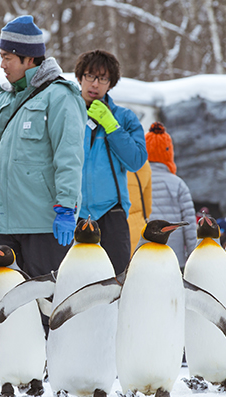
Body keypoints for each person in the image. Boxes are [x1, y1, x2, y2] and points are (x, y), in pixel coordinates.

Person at [0, 15, 87, 279]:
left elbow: (68, 157)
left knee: (43, 303)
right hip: (4, 223)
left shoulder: (60, 96)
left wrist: (67, 208)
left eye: (7, 57)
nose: (2, 64)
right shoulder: (2, 99)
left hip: (44, 224)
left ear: (28, 58)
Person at [74, 49, 147, 275]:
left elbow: (136, 161)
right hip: (70, 210)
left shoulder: (124, 117)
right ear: (80, 77)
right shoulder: (66, 113)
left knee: (116, 281)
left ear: (110, 83)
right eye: (90, 76)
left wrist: (112, 125)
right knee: (71, 281)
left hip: (111, 213)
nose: (95, 84)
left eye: (102, 78)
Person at [145, 122, 196, 268]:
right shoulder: (178, 184)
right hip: (174, 257)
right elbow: (190, 227)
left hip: (142, 255)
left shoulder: (135, 183)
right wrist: (193, 259)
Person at [126, 160, 152, 255]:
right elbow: (147, 202)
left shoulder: (111, 159)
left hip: (114, 222)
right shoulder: (143, 163)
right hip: (139, 227)